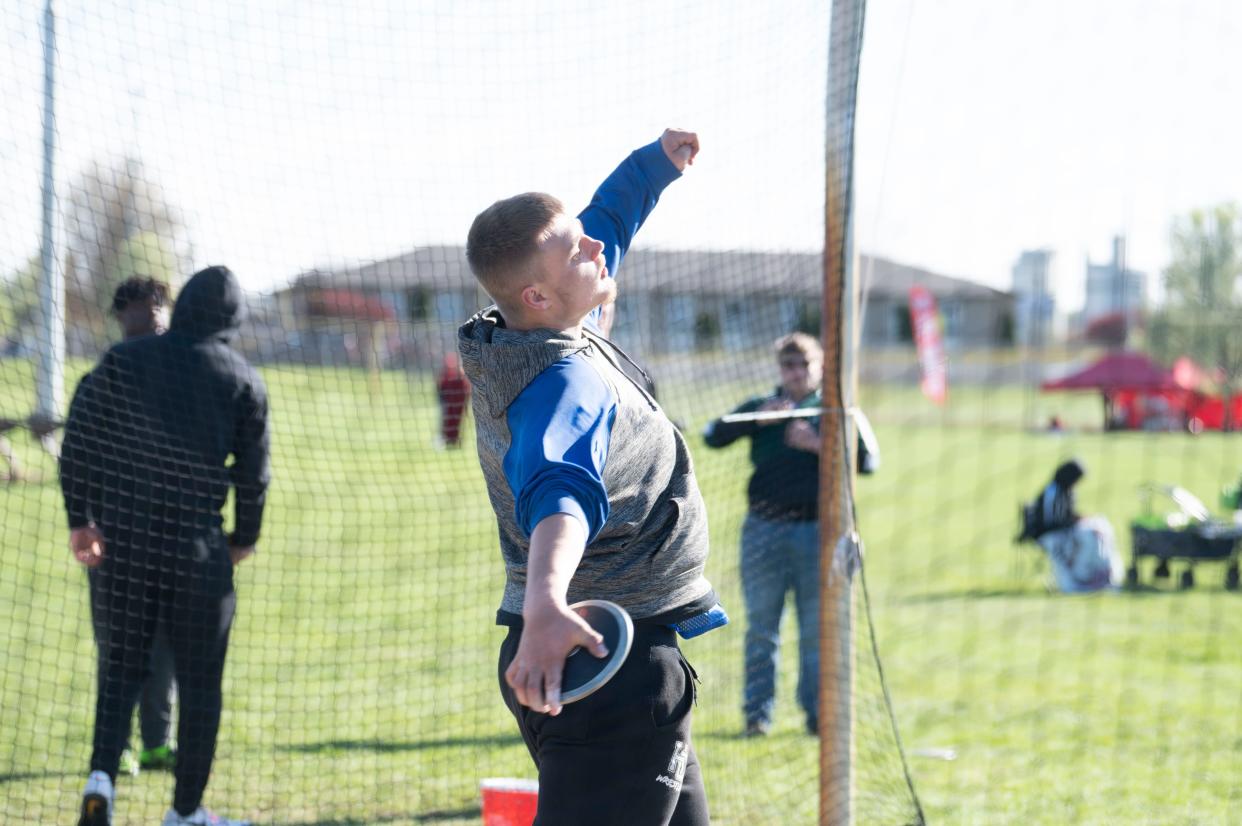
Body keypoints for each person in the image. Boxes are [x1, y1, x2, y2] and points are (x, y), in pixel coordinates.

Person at [457, 128, 722, 826]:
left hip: (608, 652)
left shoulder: (558, 321)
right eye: (577, 250)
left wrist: (654, 166)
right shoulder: (562, 381)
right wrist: (548, 601)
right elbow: (559, 493)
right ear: (539, 295)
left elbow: (606, 222)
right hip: (603, 657)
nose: (595, 248)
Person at [61, 265, 269, 826]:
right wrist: (243, 538)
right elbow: (254, 476)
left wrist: (80, 521)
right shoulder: (242, 377)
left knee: (120, 667)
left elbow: (76, 442)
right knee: (200, 685)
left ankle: (100, 780)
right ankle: (185, 812)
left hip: (121, 548)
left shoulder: (123, 360)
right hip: (198, 553)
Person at [703, 332, 824, 737]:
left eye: (803, 365)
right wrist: (759, 421)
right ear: (779, 369)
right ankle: (757, 717)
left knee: (815, 632)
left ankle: (817, 717)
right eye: (788, 365)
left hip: (816, 531)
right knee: (761, 629)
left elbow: (867, 461)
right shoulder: (765, 406)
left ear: (818, 366)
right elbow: (711, 434)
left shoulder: (830, 410)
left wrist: (818, 444)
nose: (796, 373)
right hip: (764, 531)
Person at [107, 277, 179, 777]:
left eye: (154, 319)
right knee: (120, 645)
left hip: (173, 534)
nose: (147, 329)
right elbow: (83, 457)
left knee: (167, 646)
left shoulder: (184, 374)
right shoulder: (106, 375)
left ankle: (157, 745)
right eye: (137, 321)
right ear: (120, 322)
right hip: (115, 536)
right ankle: (116, 745)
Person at [435, 352, 471, 447]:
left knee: (457, 423)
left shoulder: (461, 376)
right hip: (448, 404)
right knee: (447, 422)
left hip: (458, 405)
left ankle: (456, 441)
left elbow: (466, 391)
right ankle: (447, 440)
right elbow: (440, 388)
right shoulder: (445, 376)